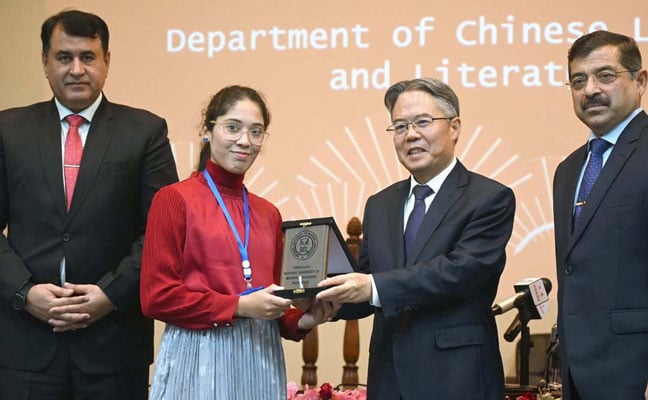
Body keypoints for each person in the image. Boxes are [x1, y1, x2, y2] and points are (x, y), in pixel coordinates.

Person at [0, 9, 179, 400]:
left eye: (88, 57)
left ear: (107, 61)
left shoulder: (146, 132)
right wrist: (25, 292)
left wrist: (109, 295)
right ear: (45, 63)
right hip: (24, 346)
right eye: (64, 57)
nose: (77, 69)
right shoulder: (7, 130)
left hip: (113, 345)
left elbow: (162, 231)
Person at [317, 78, 516, 400]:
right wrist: (329, 303)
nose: (410, 135)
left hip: (457, 377)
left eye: (422, 122)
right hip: (388, 376)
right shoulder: (380, 204)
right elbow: (370, 285)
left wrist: (372, 287)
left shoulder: (489, 198)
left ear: (454, 127)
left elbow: (459, 272)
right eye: (399, 126)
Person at [140, 85, 337, 400]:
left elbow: (276, 304)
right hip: (198, 354)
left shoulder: (268, 213)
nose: (245, 141)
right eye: (233, 128)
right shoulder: (174, 199)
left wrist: (304, 319)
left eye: (256, 132)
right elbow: (156, 297)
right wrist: (240, 306)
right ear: (208, 131)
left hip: (259, 356)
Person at [553, 30, 648, 400]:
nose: (590, 90)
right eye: (578, 80)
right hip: (581, 377)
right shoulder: (568, 170)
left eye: (605, 75)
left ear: (640, 81)